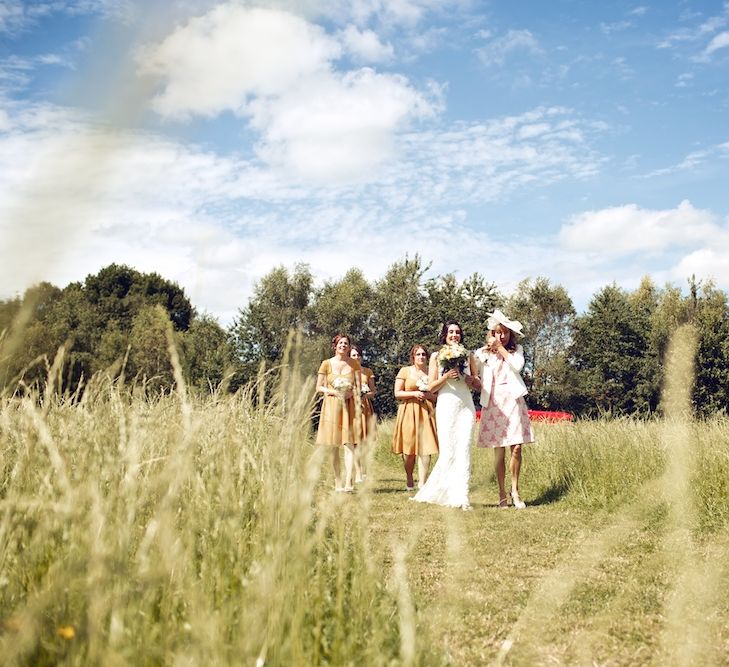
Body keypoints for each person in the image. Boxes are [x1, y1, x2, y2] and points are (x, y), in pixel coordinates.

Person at [412, 321, 481, 510]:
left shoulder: (468, 356)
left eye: (457, 332)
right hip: (446, 405)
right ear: (445, 335)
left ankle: (462, 496)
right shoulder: (436, 356)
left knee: (464, 448)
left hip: (466, 406)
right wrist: (446, 376)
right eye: (451, 332)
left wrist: (470, 379)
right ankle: (443, 492)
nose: (454, 335)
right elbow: (431, 386)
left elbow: (478, 385)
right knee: (448, 451)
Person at [474, 309, 535, 509]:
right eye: (497, 332)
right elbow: (473, 370)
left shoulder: (516, 351)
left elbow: (517, 367)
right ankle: (501, 493)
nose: (501, 336)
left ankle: (515, 490)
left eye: (505, 333)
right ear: (491, 333)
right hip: (494, 404)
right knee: (499, 450)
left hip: (513, 401)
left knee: (516, 447)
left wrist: (501, 348)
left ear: (510, 334)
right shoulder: (483, 354)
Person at [316, 333, 362, 491]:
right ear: (335, 346)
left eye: (346, 343)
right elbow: (319, 387)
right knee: (334, 445)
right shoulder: (326, 364)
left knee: (349, 444)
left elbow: (358, 386)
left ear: (349, 347)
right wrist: (333, 392)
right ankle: (338, 481)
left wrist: (351, 393)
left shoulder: (354, 364)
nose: (343, 345)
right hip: (331, 405)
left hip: (348, 406)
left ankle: (349, 481)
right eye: (340, 343)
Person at [392, 344, 439, 491]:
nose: (421, 357)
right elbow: (398, 393)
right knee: (409, 450)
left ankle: (423, 483)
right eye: (418, 354)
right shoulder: (405, 371)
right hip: (408, 411)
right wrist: (414, 394)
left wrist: (427, 395)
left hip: (426, 411)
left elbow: (438, 396)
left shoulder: (432, 374)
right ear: (413, 357)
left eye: (424, 354)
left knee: (426, 447)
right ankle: (409, 477)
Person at [349, 345, 376, 483]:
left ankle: (364, 468)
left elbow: (373, 392)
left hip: (365, 407)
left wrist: (365, 395)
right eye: (353, 355)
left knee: (365, 440)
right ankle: (358, 471)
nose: (356, 357)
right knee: (354, 441)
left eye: (358, 355)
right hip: (351, 407)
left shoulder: (368, 372)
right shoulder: (347, 371)